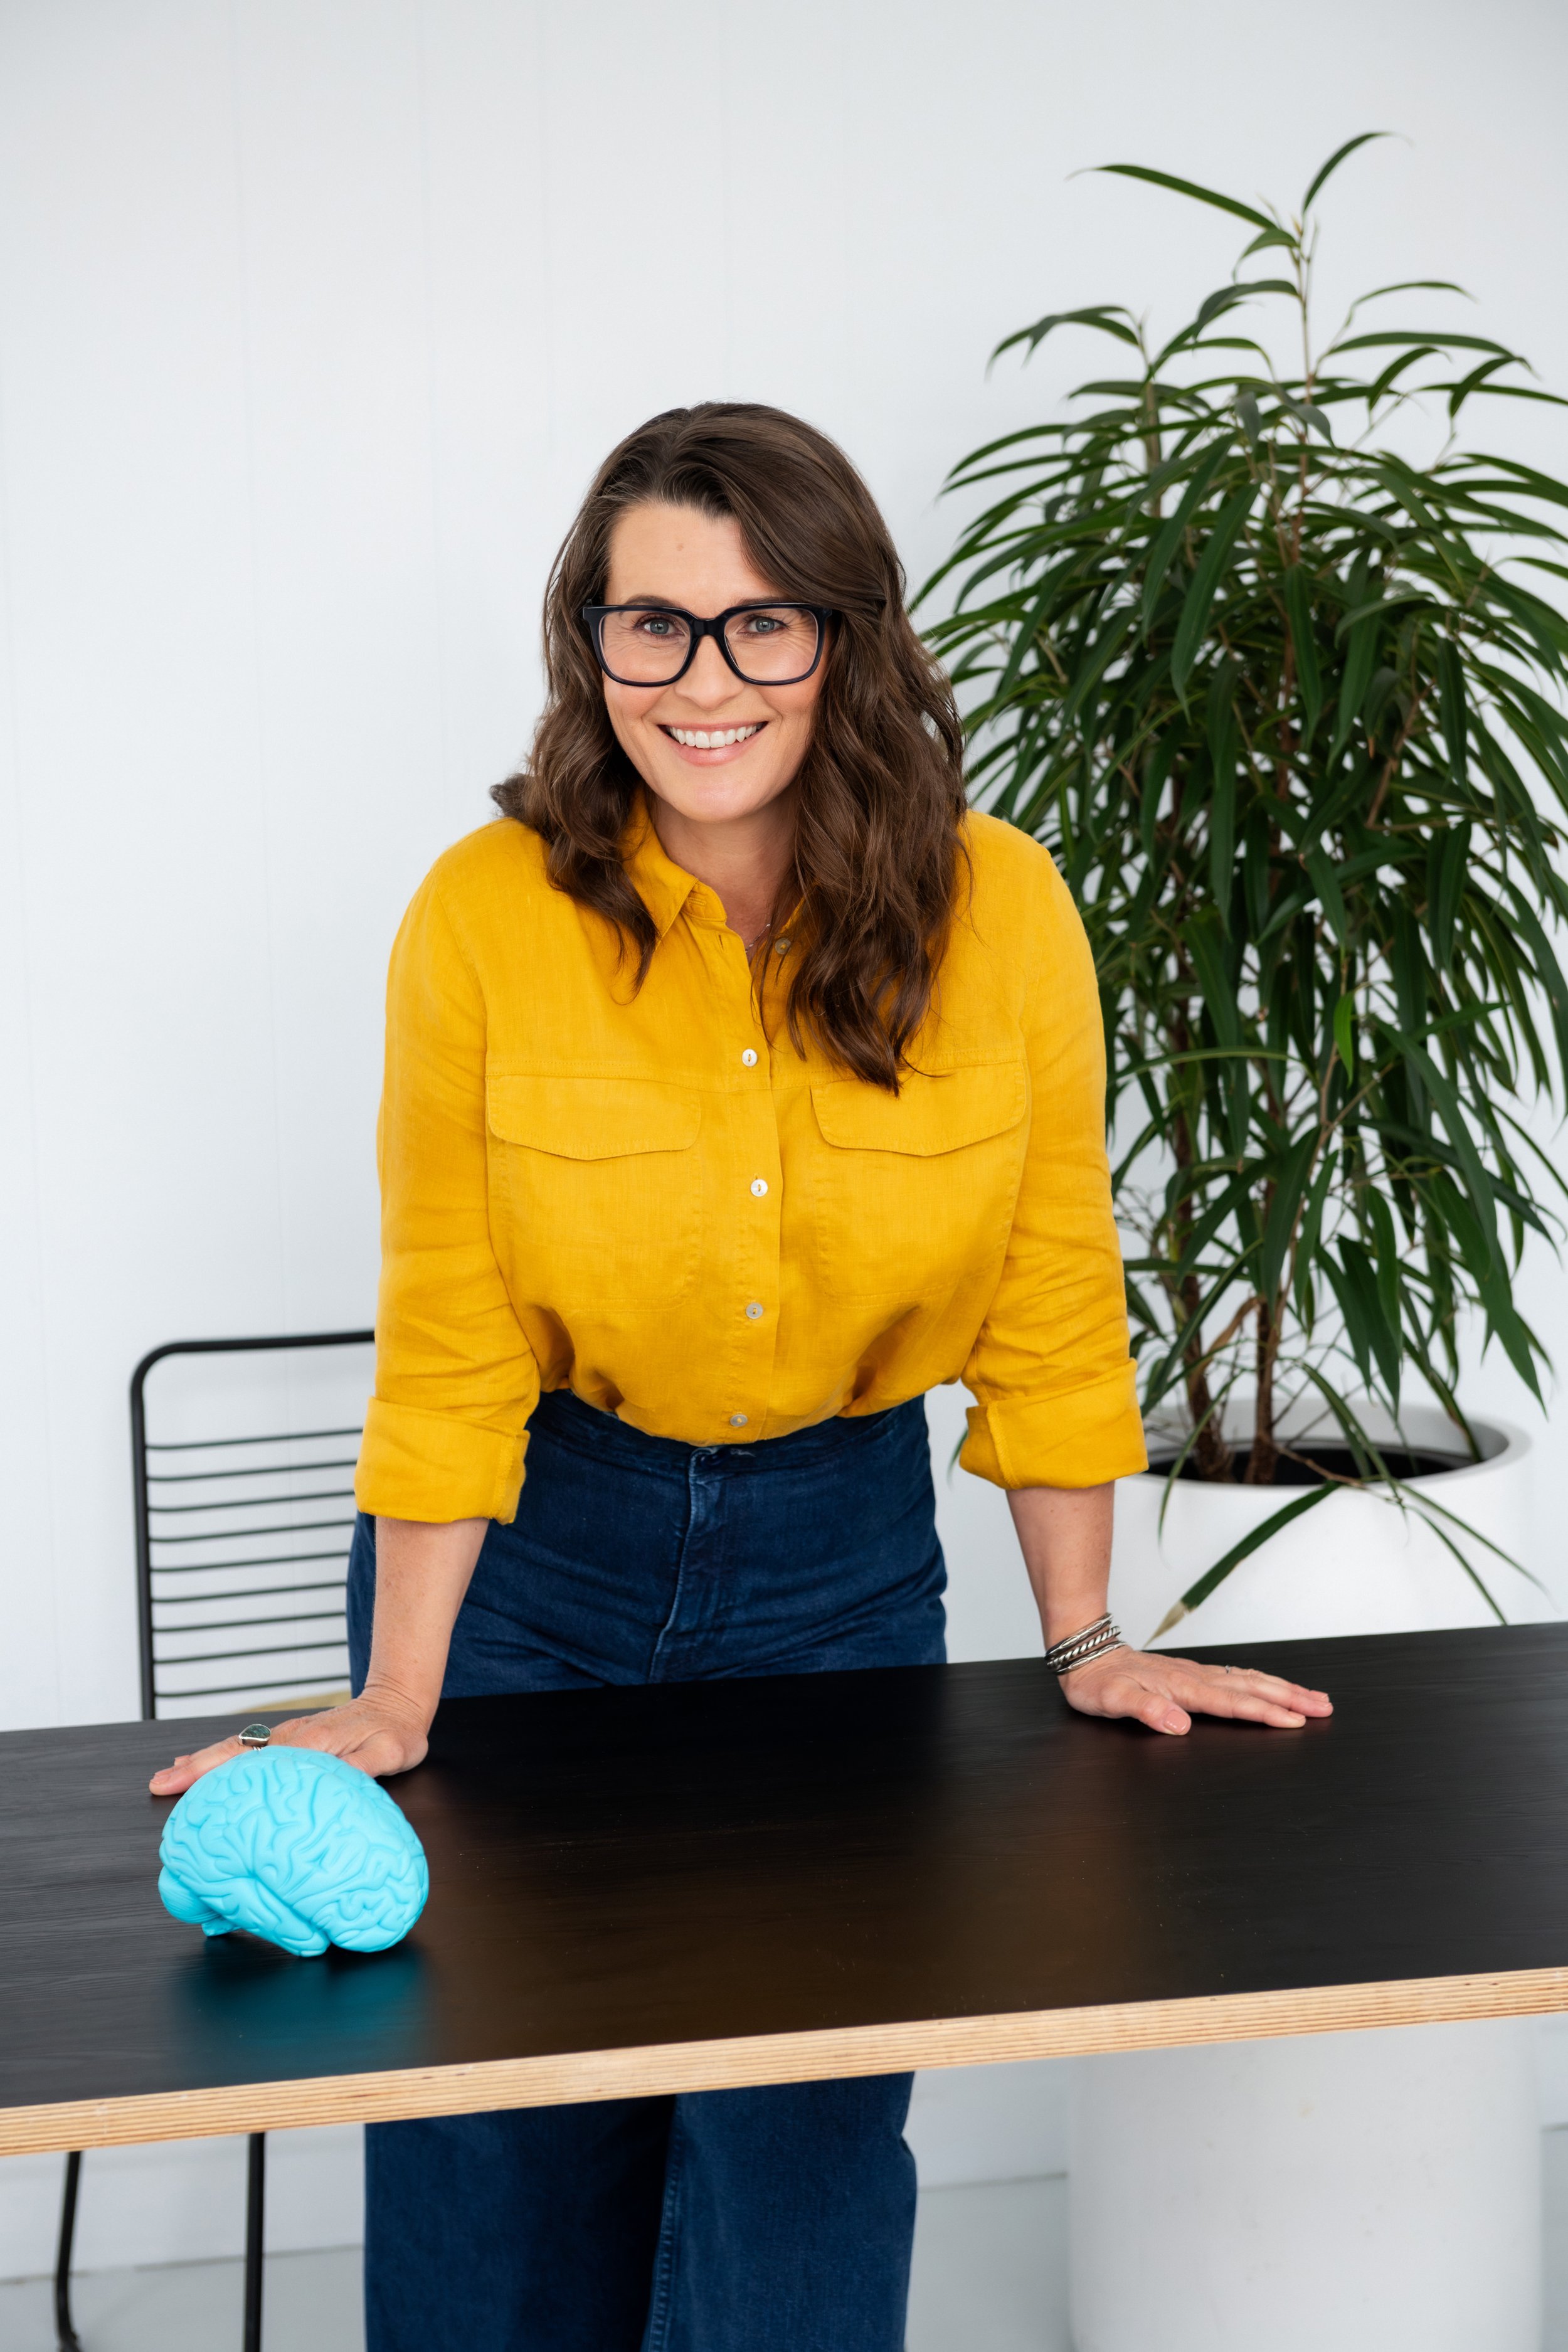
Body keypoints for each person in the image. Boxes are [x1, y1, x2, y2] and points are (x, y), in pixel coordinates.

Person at [152, 401, 1332, 2351]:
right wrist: (399, 1692)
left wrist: (1080, 1636)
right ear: (585, 642)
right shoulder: (482, 915)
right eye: (651, 626)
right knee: (504, 2150)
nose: (704, 681)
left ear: (848, 641)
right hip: (531, 1563)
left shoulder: (1005, 909)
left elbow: (1050, 1289)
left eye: (762, 624)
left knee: (797, 2158)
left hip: (838, 1568)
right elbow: (449, 1327)